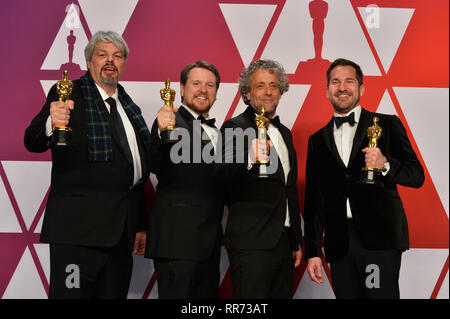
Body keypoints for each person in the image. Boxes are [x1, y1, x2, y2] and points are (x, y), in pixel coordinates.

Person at [24, 31, 151, 298]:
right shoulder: (69, 94)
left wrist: (140, 224)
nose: (110, 61)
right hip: (77, 235)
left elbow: (135, 174)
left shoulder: (131, 109)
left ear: (124, 63)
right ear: (89, 61)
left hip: (120, 237)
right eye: (102, 54)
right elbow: (32, 141)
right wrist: (51, 121)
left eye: (117, 56)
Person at [304, 58, 425, 298]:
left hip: (379, 241)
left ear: (361, 88)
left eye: (349, 81)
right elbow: (313, 199)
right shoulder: (317, 140)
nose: (342, 87)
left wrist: (385, 165)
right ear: (327, 89)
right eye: (335, 82)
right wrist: (313, 250)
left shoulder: (387, 124)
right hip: (339, 244)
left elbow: (416, 175)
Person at [218, 59, 303, 298]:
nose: (268, 92)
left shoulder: (285, 133)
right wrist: (248, 159)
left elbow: (288, 189)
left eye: (274, 86)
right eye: (260, 86)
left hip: (284, 243)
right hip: (251, 242)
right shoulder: (234, 127)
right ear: (246, 93)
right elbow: (221, 179)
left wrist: (295, 239)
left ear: (281, 91)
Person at [145, 61, 224, 298]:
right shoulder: (171, 122)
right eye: (196, 83)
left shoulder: (219, 134)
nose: (203, 90)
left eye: (210, 85)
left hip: (210, 244)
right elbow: (156, 163)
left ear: (216, 92)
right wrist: (161, 133)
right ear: (181, 88)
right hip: (177, 242)